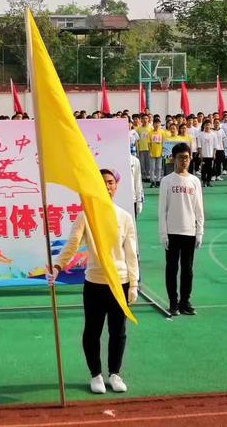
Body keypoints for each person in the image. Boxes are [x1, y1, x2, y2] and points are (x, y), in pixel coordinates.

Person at [47, 169, 139, 394]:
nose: (107, 187)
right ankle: (96, 374)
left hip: (120, 282)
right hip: (95, 283)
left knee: (118, 331)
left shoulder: (124, 217)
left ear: (116, 186)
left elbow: (131, 253)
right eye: (102, 183)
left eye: (110, 182)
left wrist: (134, 284)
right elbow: (72, 245)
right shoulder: (86, 216)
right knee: (93, 331)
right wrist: (58, 266)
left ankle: (115, 373)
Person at [159, 143, 204, 316]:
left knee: (188, 269)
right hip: (172, 232)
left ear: (190, 158)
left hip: (189, 231)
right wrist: (163, 233)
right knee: (172, 269)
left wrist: (199, 231)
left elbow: (199, 209)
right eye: (180, 157)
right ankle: (173, 302)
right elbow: (162, 209)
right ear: (174, 158)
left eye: (186, 157)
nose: (184, 161)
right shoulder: (167, 181)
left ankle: (185, 301)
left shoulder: (194, 181)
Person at [198, 120, 217, 187]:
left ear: (211, 125)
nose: (207, 126)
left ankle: (208, 181)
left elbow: (215, 146)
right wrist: (200, 154)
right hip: (204, 155)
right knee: (204, 169)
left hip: (211, 155)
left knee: (210, 169)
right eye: (206, 125)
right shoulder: (200, 135)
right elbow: (199, 146)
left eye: (209, 124)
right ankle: (204, 181)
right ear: (204, 125)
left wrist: (214, 154)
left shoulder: (213, 135)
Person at [148, 117, 165, 187]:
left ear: (160, 124)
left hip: (160, 152)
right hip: (152, 153)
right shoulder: (150, 133)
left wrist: (163, 151)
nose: (157, 125)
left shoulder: (162, 132)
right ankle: (152, 181)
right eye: (155, 123)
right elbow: (149, 143)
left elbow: (164, 142)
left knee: (159, 168)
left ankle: (158, 180)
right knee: (152, 168)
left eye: (158, 123)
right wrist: (150, 152)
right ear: (153, 124)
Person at [136, 114, 152, 182]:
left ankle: (148, 176)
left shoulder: (151, 128)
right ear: (141, 120)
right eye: (144, 118)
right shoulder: (138, 129)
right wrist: (137, 149)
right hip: (141, 148)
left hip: (149, 148)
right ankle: (143, 176)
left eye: (146, 118)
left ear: (148, 119)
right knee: (142, 163)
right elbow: (137, 140)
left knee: (148, 163)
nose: (145, 120)